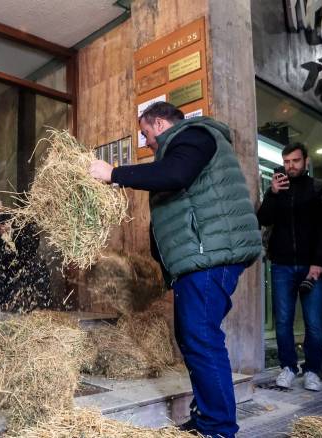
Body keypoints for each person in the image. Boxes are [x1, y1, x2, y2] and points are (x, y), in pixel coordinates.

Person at [88, 102, 261, 438]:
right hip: (202, 258)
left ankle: (218, 428)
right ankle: (207, 417)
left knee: (201, 338)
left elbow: (175, 175)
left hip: (209, 256)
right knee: (194, 337)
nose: (146, 141)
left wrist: (113, 174)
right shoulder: (186, 144)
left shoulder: (194, 135)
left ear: (161, 123)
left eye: (146, 133)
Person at [257, 143, 322, 392]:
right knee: (283, 321)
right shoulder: (278, 189)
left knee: (313, 323)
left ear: (306, 161)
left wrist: (318, 263)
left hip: (312, 266)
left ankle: (312, 370)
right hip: (281, 266)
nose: (291, 166)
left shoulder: (316, 188)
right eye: (287, 161)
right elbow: (263, 219)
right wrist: (272, 193)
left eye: (296, 161)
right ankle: (288, 367)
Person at [0, 196, 51, 313]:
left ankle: (41, 310)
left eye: (0, 212)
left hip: (18, 268)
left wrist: (10, 235)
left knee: (38, 267)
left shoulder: (16, 225)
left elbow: (30, 248)